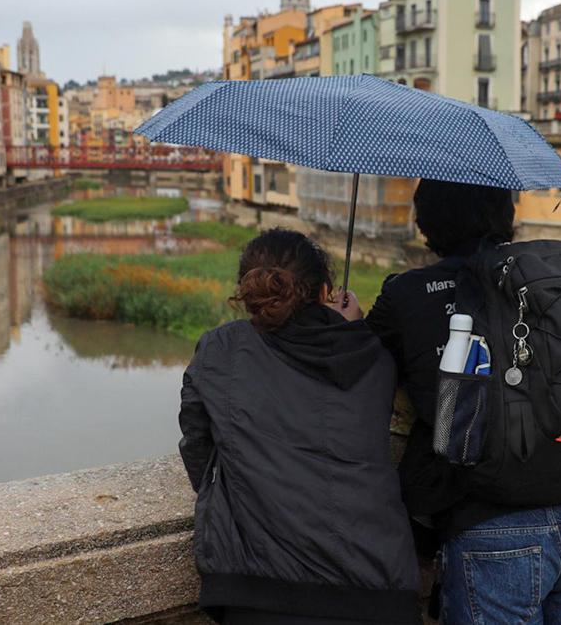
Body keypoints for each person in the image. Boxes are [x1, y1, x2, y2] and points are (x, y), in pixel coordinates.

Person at [367, 180, 561, 623]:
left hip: (488, 521)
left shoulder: (406, 295)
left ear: (426, 225)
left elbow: (359, 369)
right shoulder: (553, 281)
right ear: (508, 216)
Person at [178, 228, 420, 625]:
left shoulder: (221, 348)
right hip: (379, 588)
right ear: (325, 289)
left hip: (260, 591)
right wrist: (352, 330)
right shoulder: (372, 356)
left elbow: (198, 449)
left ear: (248, 289)